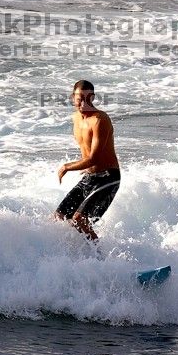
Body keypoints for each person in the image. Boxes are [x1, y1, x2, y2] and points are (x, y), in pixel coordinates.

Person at [54, 80, 120, 241]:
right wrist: (86, 168)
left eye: (88, 98)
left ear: (93, 97)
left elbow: (94, 158)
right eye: (79, 99)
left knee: (80, 220)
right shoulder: (76, 118)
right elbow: (87, 151)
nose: (83, 103)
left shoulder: (100, 120)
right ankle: (74, 256)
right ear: (72, 98)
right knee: (59, 216)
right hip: (89, 178)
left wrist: (67, 167)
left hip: (108, 178)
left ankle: (102, 260)